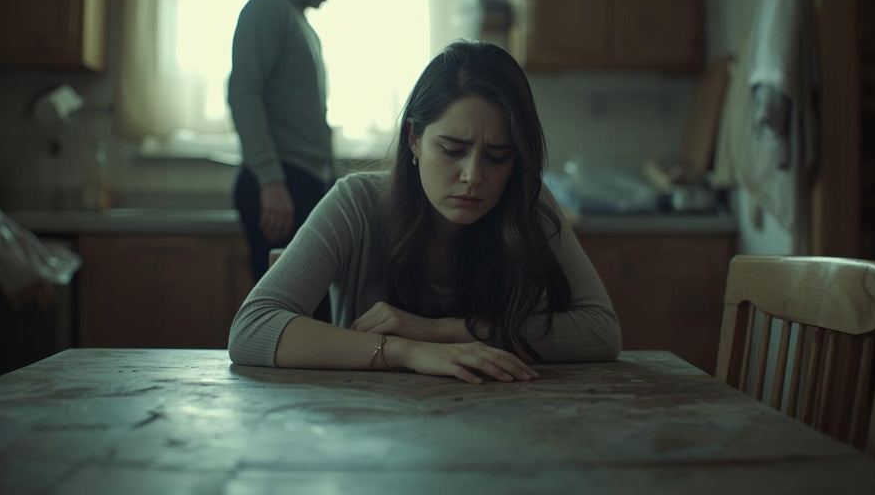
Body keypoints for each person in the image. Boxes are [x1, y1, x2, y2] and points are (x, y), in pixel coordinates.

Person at [229, 41, 622, 384]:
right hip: (368, 430)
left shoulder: (528, 202)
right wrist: (407, 351)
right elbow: (252, 329)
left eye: (498, 157)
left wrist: (438, 331)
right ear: (414, 139)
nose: (473, 176)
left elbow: (600, 331)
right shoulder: (357, 202)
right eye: (452, 150)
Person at [227, 0, 351, 319]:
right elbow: (244, 93)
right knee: (284, 317)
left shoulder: (301, 24)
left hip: (300, 182)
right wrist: (271, 181)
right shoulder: (266, 7)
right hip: (281, 184)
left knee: (310, 314)